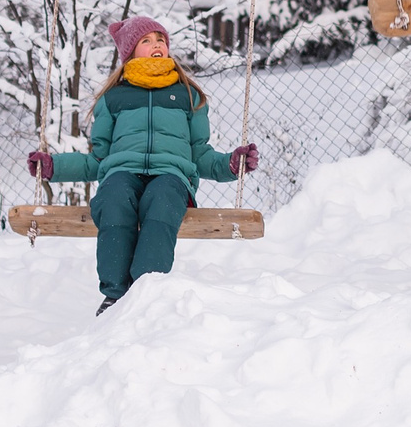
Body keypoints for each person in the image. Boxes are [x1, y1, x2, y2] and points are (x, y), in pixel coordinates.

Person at [27, 17, 257, 315]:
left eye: (160, 39)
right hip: (121, 172)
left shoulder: (189, 95)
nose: (156, 45)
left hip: (171, 175)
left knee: (162, 199)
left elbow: (200, 155)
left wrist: (231, 164)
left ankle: (145, 292)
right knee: (113, 198)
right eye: (146, 40)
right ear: (131, 51)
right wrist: (53, 167)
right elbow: (97, 160)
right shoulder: (113, 98)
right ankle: (114, 295)